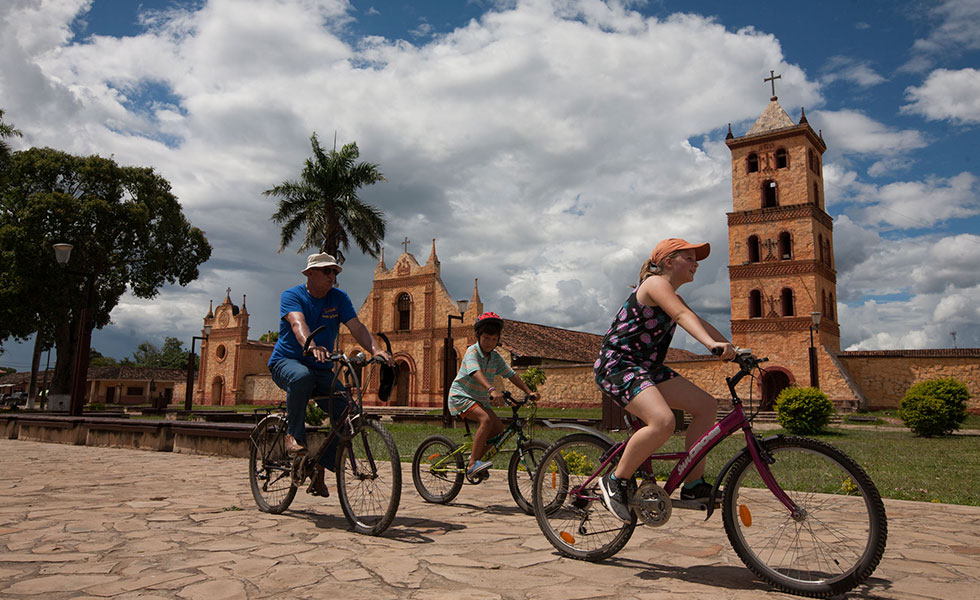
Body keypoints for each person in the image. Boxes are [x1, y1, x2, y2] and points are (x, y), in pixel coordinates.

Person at [594, 238, 735, 522]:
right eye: (690, 258)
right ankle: (616, 481)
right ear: (669, 262)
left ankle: (694, 485)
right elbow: (682, 316)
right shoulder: (654, 283)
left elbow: (696, 319)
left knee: (706, 407)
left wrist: (734, 348)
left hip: (647, 367)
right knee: (663, 421)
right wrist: (711, 345)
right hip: (619, 364)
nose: (696, 264)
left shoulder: (671, 293)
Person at [267, 252, 392, 498]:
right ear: (309, 273)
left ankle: (318, 469)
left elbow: (356, 326)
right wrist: (310, 345)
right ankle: (294, 436)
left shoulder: (338, 298)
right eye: (326, 271)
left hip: (322, 369)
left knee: (349, 413)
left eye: (334, 272)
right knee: (301, 377)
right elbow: (297, 324)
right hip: (287, 362)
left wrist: (377, 350)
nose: (332, 276)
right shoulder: (292, 296)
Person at [448, 312, 541, 477]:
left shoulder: (496, 357)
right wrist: (491, 389)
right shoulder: (472, 352)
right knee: (486, 420)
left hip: (478, 400)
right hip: (460, 397)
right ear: (478, 336)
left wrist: (529, 392)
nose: (490, 343)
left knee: (498, 428)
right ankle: (472, 464)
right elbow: (475, 372)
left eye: (494, 339)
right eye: (486, 339)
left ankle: (477, 458)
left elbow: (511, 374)